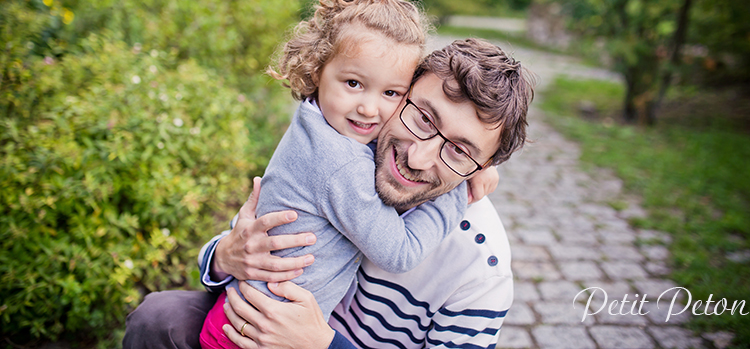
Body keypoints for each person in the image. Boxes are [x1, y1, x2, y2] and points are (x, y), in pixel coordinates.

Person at [123, 38, 534, 349]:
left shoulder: (480, 268)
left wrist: (323, 345)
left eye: (459, 151)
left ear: (482, 167)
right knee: (159, 316)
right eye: (423, 117)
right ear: (398, 96)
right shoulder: (349, 152)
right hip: (248, 324)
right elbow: (250, 245)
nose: (420, 158)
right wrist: (224, 256)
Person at [198, 0, 493, 349]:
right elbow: (400, 252)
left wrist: (466, 154)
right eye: (353, 83)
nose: (369, 109)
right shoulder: (341, 166)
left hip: (241, 315)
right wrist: (458, 188)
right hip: (255, 334)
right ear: (318, 70)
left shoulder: (317, 122)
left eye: (391, 92)